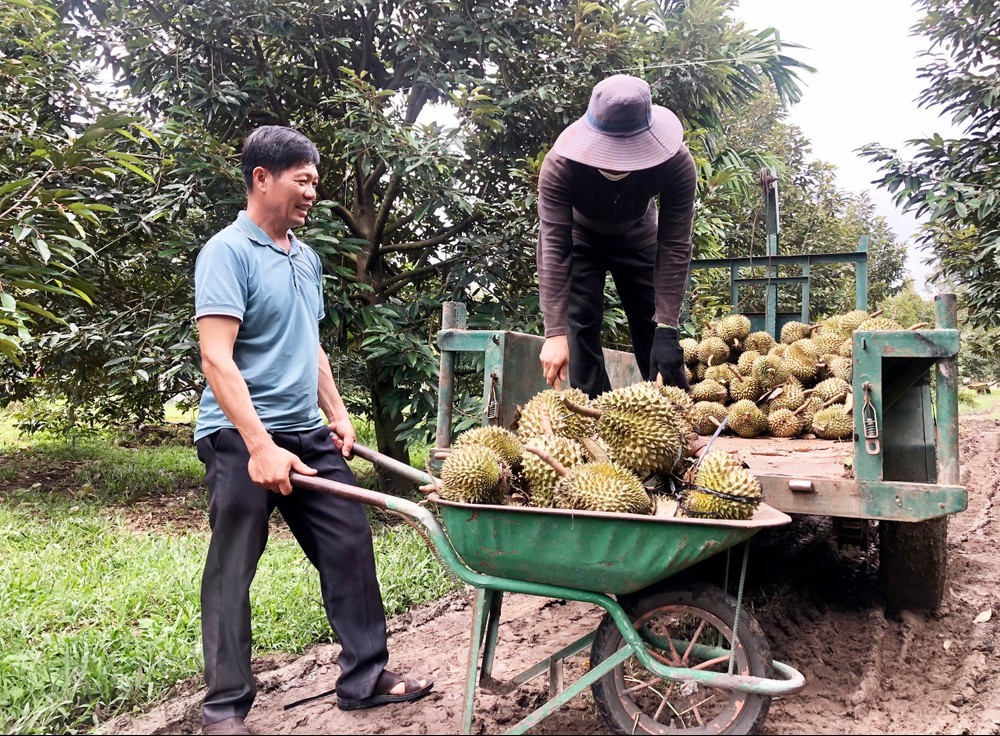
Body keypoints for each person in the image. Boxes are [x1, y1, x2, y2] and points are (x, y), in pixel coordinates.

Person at [192, 125, 432, 736]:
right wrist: (258, 446)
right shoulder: (228, 251)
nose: (311, 195)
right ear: (262, 179)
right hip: (238, 436)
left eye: (315, 183)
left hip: (305, 431)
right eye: (302, 181)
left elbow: (311, 343)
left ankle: (364, 678)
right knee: (232, 568)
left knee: (349, 544)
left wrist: (338, 410)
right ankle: (224, 709)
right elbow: (217, 358)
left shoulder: (306, 257)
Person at [536, 74, 697, 398]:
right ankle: (594, 423)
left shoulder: (676, 164)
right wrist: (554, 333)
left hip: (639, 237)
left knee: (657, 338)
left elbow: (675, 244)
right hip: (583, 239)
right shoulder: (560, 166)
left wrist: (667, 326)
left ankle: (678, 417)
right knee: (579, 328)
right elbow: (554, 246)